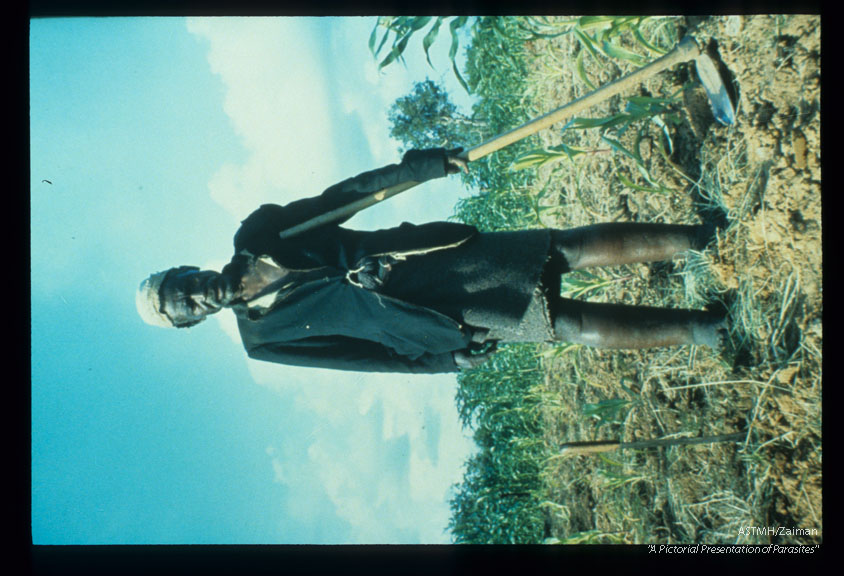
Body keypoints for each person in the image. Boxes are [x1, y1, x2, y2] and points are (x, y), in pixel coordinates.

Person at [137, 148, 725, 373]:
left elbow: (341, 198)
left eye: (182, 284)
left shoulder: (256, 232)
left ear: (189, 268)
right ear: (192, 322)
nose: (195, 295)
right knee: (562, 324)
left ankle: (700, 237)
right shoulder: (263, 342)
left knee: (562, 249)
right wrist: (445, 363)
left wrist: (415, 170)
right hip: (427, 319)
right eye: (184, 307)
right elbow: (360, 359)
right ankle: (702, 329)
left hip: (426, 255)